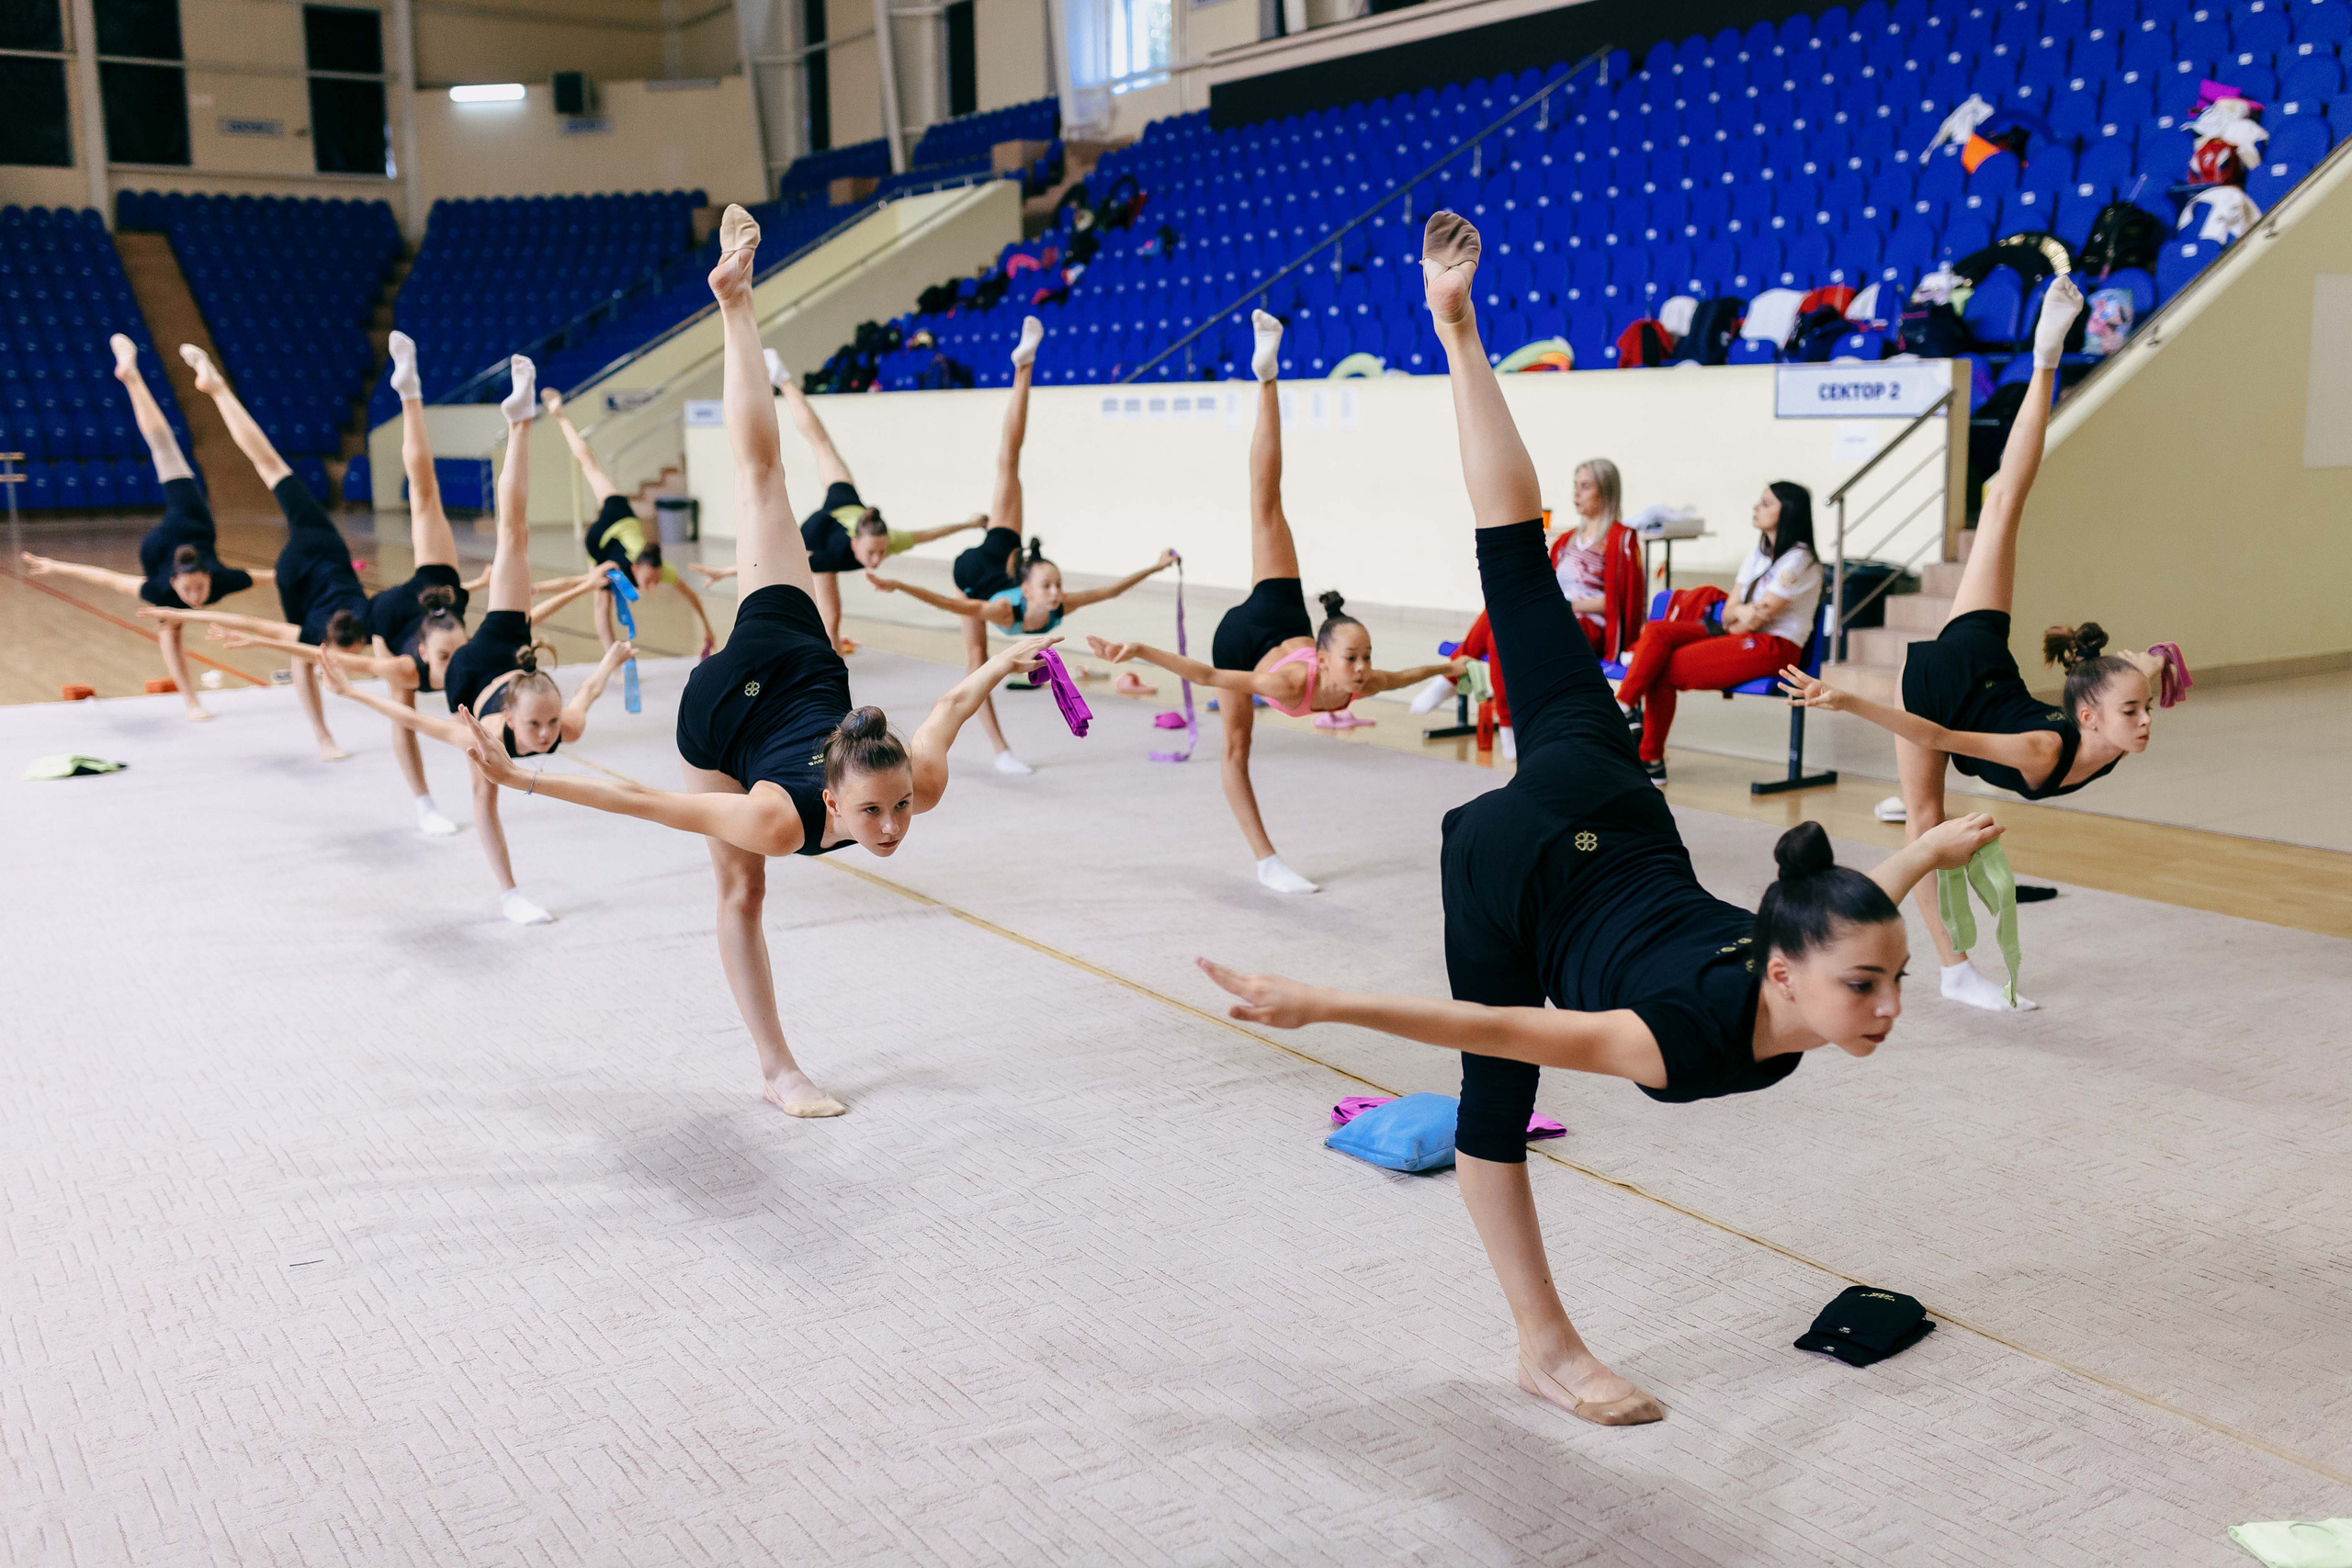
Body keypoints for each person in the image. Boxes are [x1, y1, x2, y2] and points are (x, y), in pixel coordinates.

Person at [1198, 210, 2002, 1430]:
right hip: (1517, 868)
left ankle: (1457, 331)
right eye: (1869, 990)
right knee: (1494, 1103)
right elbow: (1489, 1016)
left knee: (1518, 576)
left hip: (1607, 794)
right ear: (1785, 969)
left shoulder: (1806, 939)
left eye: (1884, 985)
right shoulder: (1681, 1035)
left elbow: (1854, 910)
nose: (1888, 1008)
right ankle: (1546, 1344)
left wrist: (1926, 850)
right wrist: (1330, 1003)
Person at [456, 206, 1058, 1117]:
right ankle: (778, 1070)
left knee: (764, 484)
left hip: (797, 650)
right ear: (831, 800)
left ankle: (736, 301)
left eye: (893, 808)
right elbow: (646, 802)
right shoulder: (781, 818)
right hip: (722, 712)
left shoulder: (914, 780)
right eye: (875, 812)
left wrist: (1003, 658)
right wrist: (526, 782)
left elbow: (947, 710)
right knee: (741, 884)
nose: (894, 825)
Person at [1779, 274, 2173, 1012]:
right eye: (2134, 712)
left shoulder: (2108, 713)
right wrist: (1849, 699)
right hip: (1937, 689)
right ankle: (1956, 967)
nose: (2145, 720)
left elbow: (2142, 666)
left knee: (2001, 509)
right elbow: (1932, 731)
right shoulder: (2042, 751)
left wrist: (2158, 662)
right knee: (1926, 823)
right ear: (2088, 717)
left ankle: (2044, 355)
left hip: (1987, 664)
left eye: (2144, 710)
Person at [1084, 310, 1465, 894]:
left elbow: (1409, 673)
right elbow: (1210, 673)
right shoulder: (1291, 687)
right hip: (1244, 641)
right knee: (1237, 745)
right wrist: (1141, 650)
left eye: (1365, 658)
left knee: (1270, 506)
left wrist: (1449, 667)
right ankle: (1267, 860)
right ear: (1325, 657)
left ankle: (1265, 374)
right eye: (1353, 661)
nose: (1363, 671)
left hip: (1288, 621)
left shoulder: (1367, 680)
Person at [864, 320, 1177, 774]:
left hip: (1003, 552)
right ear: (1027, 588)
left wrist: (1155, 566)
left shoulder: (1052, 603)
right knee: (977, 668)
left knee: (1011, 464)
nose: (1058, 593)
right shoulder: (1003, 612)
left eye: (1058, 585)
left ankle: (1023, 363)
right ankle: (1001, 752)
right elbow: (948, 604)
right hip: (970, 576)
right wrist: (898, 585)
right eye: (1049, 586)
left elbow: (1110, 591)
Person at [17, 333, 273, 723]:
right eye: (190, 590)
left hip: (182, 529)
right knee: (165, 447)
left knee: (167, 453)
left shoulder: (219, 578)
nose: (197, 597)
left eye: (199, 588)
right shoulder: (163, 589)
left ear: (207, 576)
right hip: (166, 540)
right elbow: (105, 578)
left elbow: (266, 577)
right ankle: (130, 375)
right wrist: (58, 567)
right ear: (174, 583)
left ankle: (132, 374)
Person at [320, 634, 635, 925]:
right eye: (534, 724)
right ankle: (510, 895)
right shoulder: (486, 738)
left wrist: (610, 659)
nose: (545, 733)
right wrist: (349, 691)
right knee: (483, 794)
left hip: (508, 652)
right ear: (509, 718)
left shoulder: (568, 726)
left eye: (553, 721)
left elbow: (588, 691)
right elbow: (415, 720)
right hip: (467, 671)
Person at [765, 346, 988, 653]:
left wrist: (969, 523)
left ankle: (784, 380)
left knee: (823, 445)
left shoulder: (886, 539)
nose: (876, 561)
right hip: (819, 533)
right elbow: (773, 563)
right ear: (855, 545)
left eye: (881, 552)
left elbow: (928, 534)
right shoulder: (827, 552)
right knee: (829, 618)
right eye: (872, 553)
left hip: (846, 502)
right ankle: (785, 383)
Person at [1424, 458, 1645, 760]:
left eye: (1585, 487)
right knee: (1502, 614)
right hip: (1557, 615)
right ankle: (1505, 722)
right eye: (1575, 486)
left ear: (1605, 491)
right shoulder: (1567, 539)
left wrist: (1568, 605)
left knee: (1507, 616)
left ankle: (1456, 678)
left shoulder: (1621, 538)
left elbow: (1621, 603)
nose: (1576, 494)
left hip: (1587, 625)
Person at [1610, 481, 1824, 784]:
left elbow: (1758, 620)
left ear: (1787, 511)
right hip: (1741, 635)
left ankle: (1649, 756)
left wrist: (1742, 617)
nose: (1756, 507)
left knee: (1661, 666)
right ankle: (1626, 708)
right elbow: (1730, 613)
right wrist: (1742, 615)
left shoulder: (1800, 560)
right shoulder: (1760, 552)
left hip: (1776, 647)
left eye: (1765, 503)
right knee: (1657, 632)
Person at [540, 386, 719, 657]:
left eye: (655, 581)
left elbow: (692, 596)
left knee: (590, 466)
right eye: (649, 581)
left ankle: (560, 415)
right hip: (615, 518)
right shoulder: (621, 567)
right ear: (635, 568)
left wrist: (707, 627)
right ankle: (560, 416)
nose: (653, 586)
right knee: (591, 466)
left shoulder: (659, 569)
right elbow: (575, 583)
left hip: (598, 547)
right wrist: (538, 587)